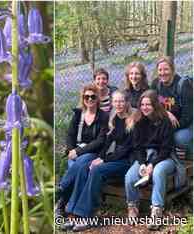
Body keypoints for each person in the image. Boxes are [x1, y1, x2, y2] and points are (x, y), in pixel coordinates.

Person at [59, 91, 134, 231]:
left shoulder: (131, 121)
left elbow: (125, 150)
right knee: (83, 167)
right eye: (116, 101)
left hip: (126, 162)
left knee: (97, 170)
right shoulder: (114, 120)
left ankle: (87, 216)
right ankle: (73, 213)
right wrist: (99, 157)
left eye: (122, 101)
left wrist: (103, 160)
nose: (119, 104)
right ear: (112, 103)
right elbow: (106, 143)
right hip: (113, 159)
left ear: (127, 103)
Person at [124, 90, 179, 230]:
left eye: (148, 104)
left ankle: (156, 211)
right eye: (142, 104)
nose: (145, 107)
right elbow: (137, 147)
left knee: (158, 172)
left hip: (165, 157)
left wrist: (152, 164)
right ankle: (133, 206)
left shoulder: (165, 121)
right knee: (130, 176)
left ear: (155, 105)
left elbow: (166, 149)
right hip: (145, 158)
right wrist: (142, 163)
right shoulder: (139, 121)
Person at [55, 84, 108, 216]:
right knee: (80, 169)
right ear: (83, 99)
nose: (90, 99)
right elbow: (70, 135)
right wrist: (71, 150)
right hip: (76, 152)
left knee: (81, 162)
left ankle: (62, 190)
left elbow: (100, 141)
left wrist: (77, 153)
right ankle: (67, 207)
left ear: (97, 99)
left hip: (93, 152)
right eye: (86, 97)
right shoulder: (78, 114)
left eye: (93, 96)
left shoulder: (103, 117)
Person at [150, 56, 193, 159]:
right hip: (163, 124)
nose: (163, 73)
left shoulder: (183, 85)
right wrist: (166, 113)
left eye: (166, 69)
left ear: (172, 70)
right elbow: (151, 104)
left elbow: (187, 117)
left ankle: (190, 151)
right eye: (160, 70)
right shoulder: (156, 84)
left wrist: (167, 129)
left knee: (179, 138)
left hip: (183, 126)